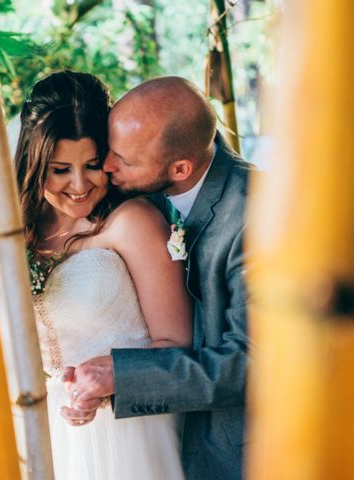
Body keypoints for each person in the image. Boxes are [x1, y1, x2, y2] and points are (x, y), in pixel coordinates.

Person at [63, 77, 252, 480]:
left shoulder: (257, 216)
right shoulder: (143, 186)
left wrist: (122, 375)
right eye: (108, 151)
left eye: (123, 161)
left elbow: (252, 363)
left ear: (180, 168)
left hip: (243, 454)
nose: (106, 168)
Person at [14, 70, 193, 480]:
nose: (79, 185)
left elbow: (178, 344)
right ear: (33, 162)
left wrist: (110, 381)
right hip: (41, 427)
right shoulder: (12, 234)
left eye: (93, 165)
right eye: (60, 169)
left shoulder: (133, 223)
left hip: (127, 434)